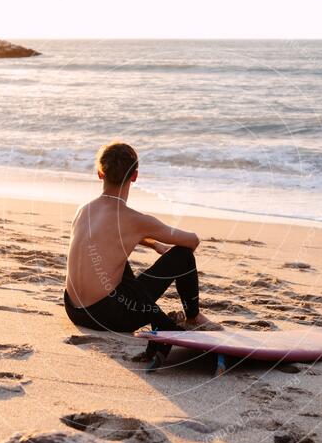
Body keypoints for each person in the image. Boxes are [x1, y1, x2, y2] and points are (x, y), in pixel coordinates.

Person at [64, 141, 220, 338]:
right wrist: (155, 235)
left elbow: (111, 236)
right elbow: (192, 241)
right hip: (107, 317)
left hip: (74, 310)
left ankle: (187, 317)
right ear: (135, 175)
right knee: (183, 255)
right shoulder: (136, 220)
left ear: (100, 173)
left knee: (115, 260)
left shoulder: (83, 210)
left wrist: (154, 243)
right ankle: (193, 317)